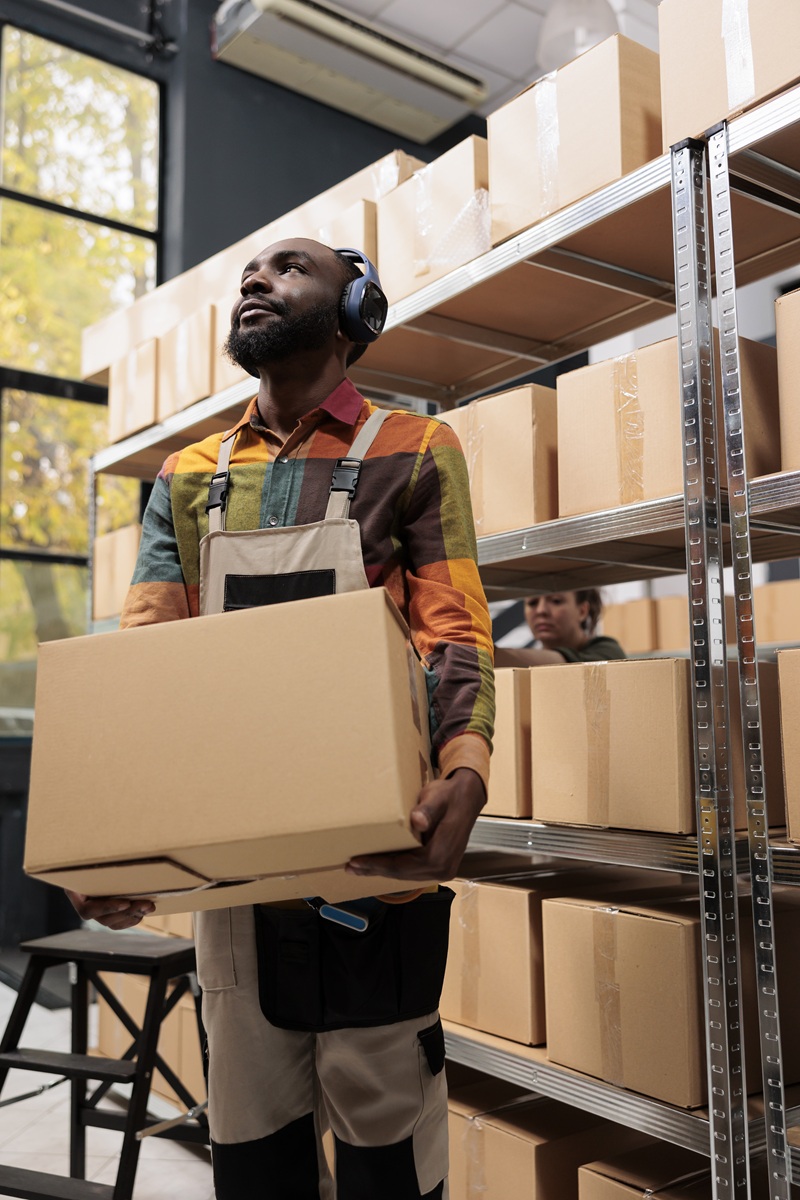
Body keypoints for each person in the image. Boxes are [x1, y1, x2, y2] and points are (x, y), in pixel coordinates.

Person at [66, 239, 495, 1200]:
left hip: (376, 859)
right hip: (235, 876)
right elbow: (148, 666)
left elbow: (454, 631)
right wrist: (111, 843)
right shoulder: (187, 476)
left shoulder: (415, 449)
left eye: (289, 268)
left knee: (387, 1146)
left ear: (358, 311)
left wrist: (464, 771)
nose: (256, 280)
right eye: (248, 274)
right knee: (254, 1148)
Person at [493, 588, 625, 667]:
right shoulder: (532, 656)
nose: (541, 610)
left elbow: (564, 665)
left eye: (556, 601)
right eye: (533, 603)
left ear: (582, 611)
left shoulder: (608, 651)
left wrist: (486, 654)